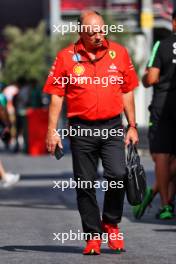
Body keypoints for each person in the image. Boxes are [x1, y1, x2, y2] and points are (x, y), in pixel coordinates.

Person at [43, 10, 139, 255]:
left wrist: (132, 125)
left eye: (101, 30)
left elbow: (127, 90)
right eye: (92, 32)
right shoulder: (66, 57)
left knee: (117, 174)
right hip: (81, 129)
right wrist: (52, 131)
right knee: (85, 184)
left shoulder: (119, 54)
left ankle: (111, 223)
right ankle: (93, 236)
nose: (98, 35)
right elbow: (56, 95)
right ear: (80, 33)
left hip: (112, 126)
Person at [133, 10, 176, 220]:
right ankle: (160, 194)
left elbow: (151, 78)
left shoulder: (162, 44)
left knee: (161, 156)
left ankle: (165, 204)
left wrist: (144, 78)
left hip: (163, 106)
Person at [0, 93, 20, 187]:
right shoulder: (1, 97)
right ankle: (4, 176)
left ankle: (4, 176)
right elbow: (3, 111)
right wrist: (7, 125)